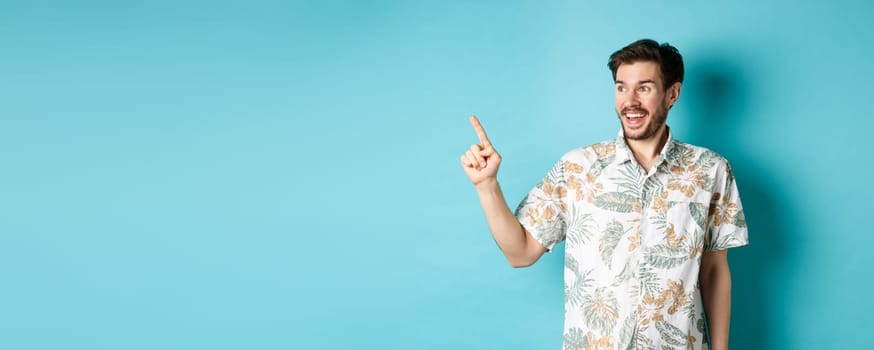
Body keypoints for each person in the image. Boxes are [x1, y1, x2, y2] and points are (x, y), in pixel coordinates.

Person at [459, 39, 748, 350]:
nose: (630, 101)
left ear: (672, 94)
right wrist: (486, 186)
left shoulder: (710, 170)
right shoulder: (577, 168)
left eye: (644, 88)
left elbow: (715, 270)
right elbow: (520, 253)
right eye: (622, 88)